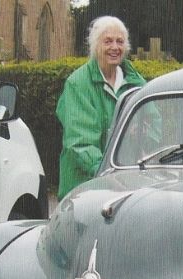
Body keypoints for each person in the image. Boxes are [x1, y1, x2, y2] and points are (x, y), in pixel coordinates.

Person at [56, 16, 145, 200]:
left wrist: (142, 131)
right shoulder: (77, 84)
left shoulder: (136, 82)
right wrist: (109, 174)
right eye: (108, 41)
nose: (115, 47)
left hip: (126, 184)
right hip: (84, 188)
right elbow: (80, 143)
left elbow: (154, 125)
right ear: (96, 46)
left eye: (120, 41)